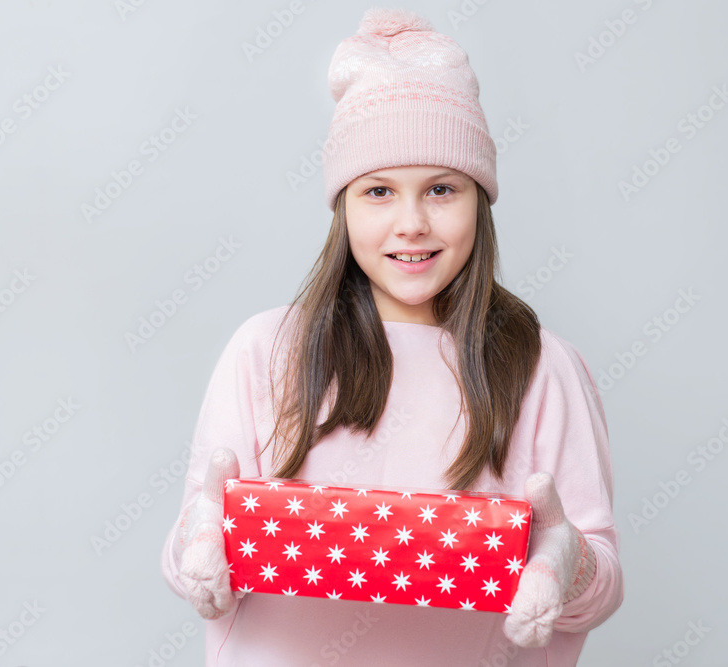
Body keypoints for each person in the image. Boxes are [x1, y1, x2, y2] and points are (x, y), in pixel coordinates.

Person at [161, 8, 623, 666]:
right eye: (379, 191)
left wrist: (565, 561)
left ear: (480, 200)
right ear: (343, 206)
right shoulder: (266, 351)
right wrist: (203, 536)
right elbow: (189, 571)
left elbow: (600, 584)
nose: (411, 223)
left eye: (441, 189)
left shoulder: (542, 365)